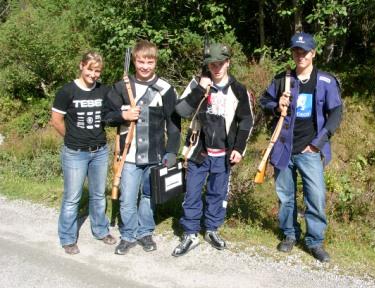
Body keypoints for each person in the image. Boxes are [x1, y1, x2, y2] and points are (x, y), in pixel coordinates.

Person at [259, 32, 343, 262]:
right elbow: (263, 101)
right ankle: (289, 235)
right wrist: (277, 105)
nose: (300, 55)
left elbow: (336, 113)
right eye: (296, 51)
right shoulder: (282, 79)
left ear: (313, 53)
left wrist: (318, 145)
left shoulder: (326, 81)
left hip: (311, 151)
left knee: (315, 197)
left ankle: (315, 242)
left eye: (305, 51)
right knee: (285, 197)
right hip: (284, 148)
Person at [172, 43, 254, 257]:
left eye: (220, 63)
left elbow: (246, 121)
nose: (216, 68)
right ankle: (190, 233)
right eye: (212, 64)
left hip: (224, 154)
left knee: (217, 194)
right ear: (207, 65)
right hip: (198, 152)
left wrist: (239, 148)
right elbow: (181, 110)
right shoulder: (197, 84)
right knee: (192, 193)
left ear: (228, 63)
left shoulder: (238, 89)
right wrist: (200, 89)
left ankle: (211, 229)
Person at [104, 40, 181, 255]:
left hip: (155, 155)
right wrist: (122, 115)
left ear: (155, 62)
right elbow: (106, 116)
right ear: (134, 61)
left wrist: (172, 152)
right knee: (127, 198)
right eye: (141, 61)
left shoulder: (165, 89)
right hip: (127, 156)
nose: (145, 66)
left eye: (150, 61)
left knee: (148, 196)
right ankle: (128, 235)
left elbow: (174, 126)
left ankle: (145, 232)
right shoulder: (121, 86)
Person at [51, 51, 116, 255]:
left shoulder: (103, 90)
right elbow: (56, 120)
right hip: (75, 152)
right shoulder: (67, 91)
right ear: (81, 66)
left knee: (98, 194)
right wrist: (72, 138)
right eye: (90, 69)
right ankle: (68, 238)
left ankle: (100, 230)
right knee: (72, 197)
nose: (93, 74)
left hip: (100, 151)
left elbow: (112, 114)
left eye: (97, 71)